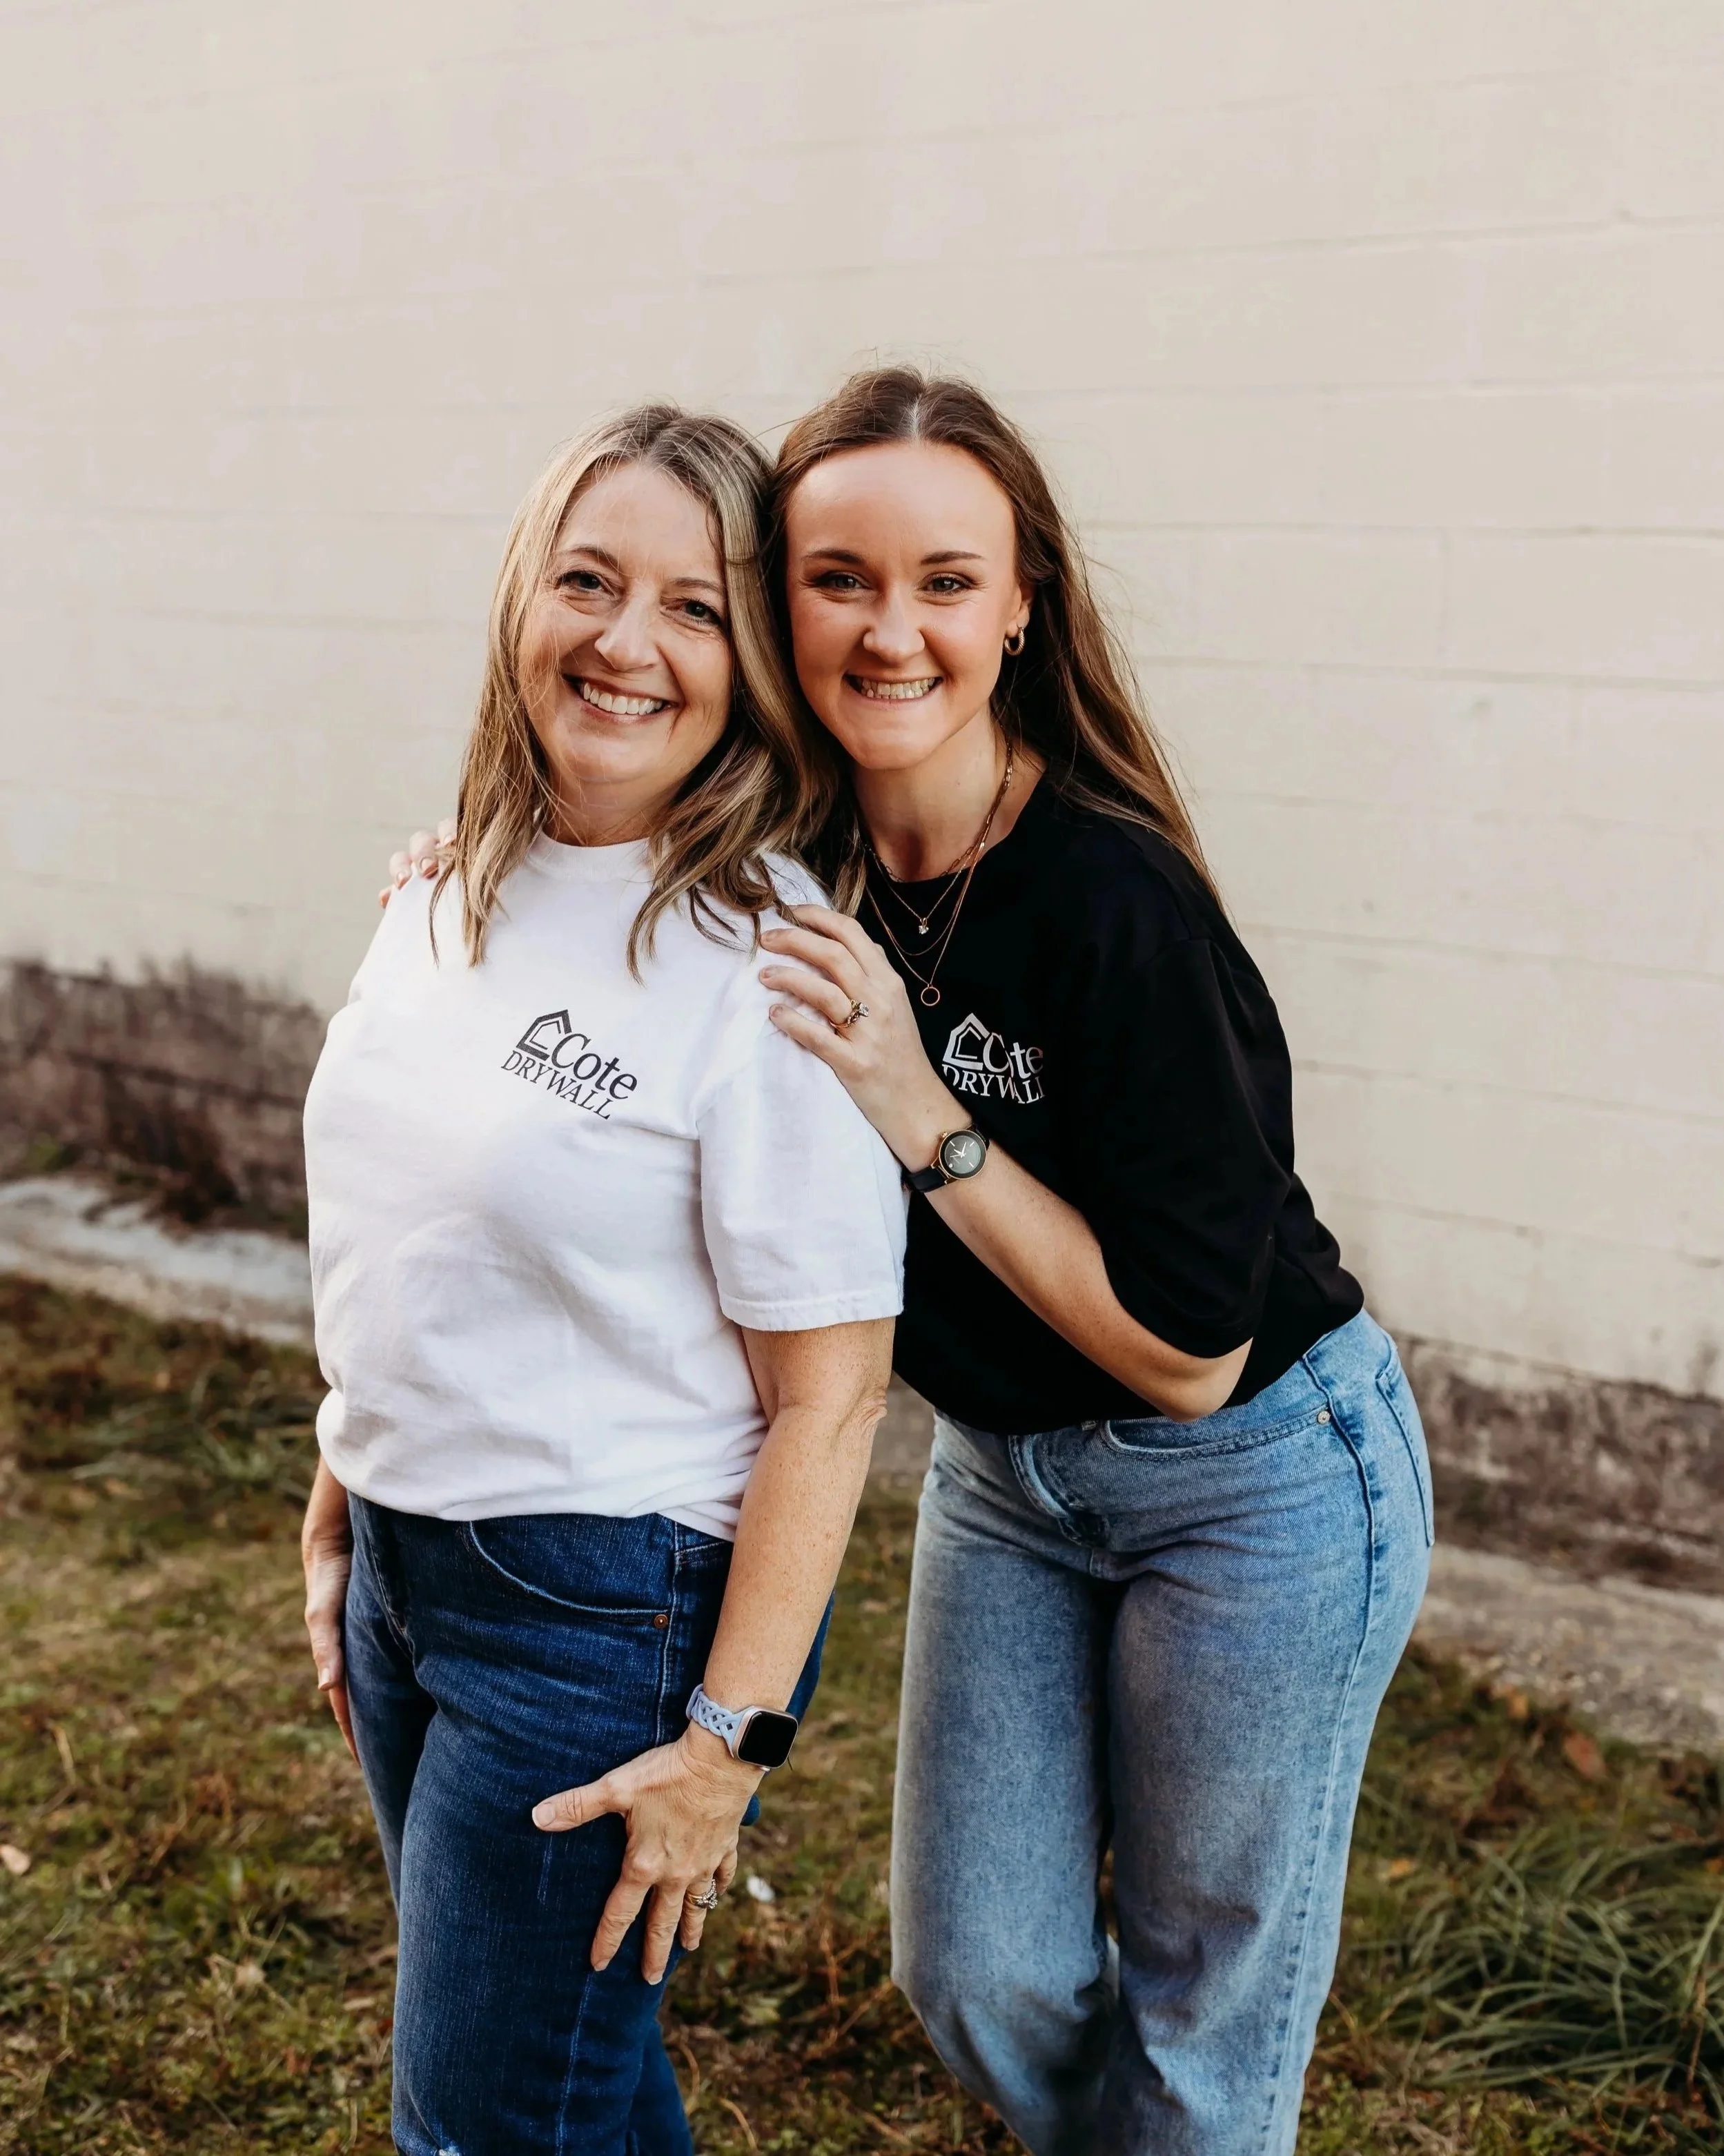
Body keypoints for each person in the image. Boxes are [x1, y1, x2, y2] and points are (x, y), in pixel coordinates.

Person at [381, 370, 1433, 2156]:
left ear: (1022, 604)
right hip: (1014, 1471)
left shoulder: (1114, 901)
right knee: (979, 1969)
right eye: (836, 576)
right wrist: (483, 915)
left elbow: (1189, 1350)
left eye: (945, 579)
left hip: (1251, 1473)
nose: (890, 627)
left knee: (1202, 1992)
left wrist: (917, 1106)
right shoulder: (789, 862)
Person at [300, 404, 904, 2156]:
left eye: (698, 605)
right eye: (587, 578)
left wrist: (729, 1743)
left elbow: (832, 1392)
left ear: (752, 668)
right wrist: (346, 1479)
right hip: (411, 1578)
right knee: (575, 2089)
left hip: (594, 1618)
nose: (627, 641)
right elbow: (415, 1227)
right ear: (522, 600)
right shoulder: (446, 884)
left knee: (484, 2125)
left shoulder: (764, 966)